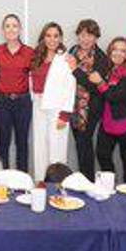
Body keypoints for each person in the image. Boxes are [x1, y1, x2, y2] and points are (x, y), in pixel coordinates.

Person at [30, 23, 76, 180]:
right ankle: (40, 182)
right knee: (40, 147)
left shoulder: (66, 59)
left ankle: (57, 184)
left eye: (56, 36)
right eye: (48, 35)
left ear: (60, 38)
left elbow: (70, 87)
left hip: (57, 108)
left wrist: (65, 115)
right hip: (38, 104)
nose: (52, 39)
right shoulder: (37, 57)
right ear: (43, 38)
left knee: (56, 148)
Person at [93, 36, 126, 180]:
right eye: (115, 49)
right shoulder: (109, 71)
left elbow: (113, 96)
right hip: (108, 123)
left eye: (123, 51)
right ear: (110, 52)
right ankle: (110, 186)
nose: (118, 53)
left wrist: (100, 82)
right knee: (102, 155)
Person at [67, 19, 111, 180]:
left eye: (90, 35)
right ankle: (83, 180)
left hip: (90, 108)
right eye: (82, 35)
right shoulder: (72, 51)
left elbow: (94, 86)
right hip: (72, 106)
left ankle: (88, 180)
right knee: (80, 144)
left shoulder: (101, 58)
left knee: (84, 143)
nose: (85, 39)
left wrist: (75, 70)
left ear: (96, 38)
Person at [0, 14, 34, 173]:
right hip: (2, 102)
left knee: (22, 142)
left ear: (20, 29)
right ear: (3, 30)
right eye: (7, 26)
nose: (11, 29)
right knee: (3, 142)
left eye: (15, 26)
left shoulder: (29, 52)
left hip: (23, 102)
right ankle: (2, 179)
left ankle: (22, 179)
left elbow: (38, 75)